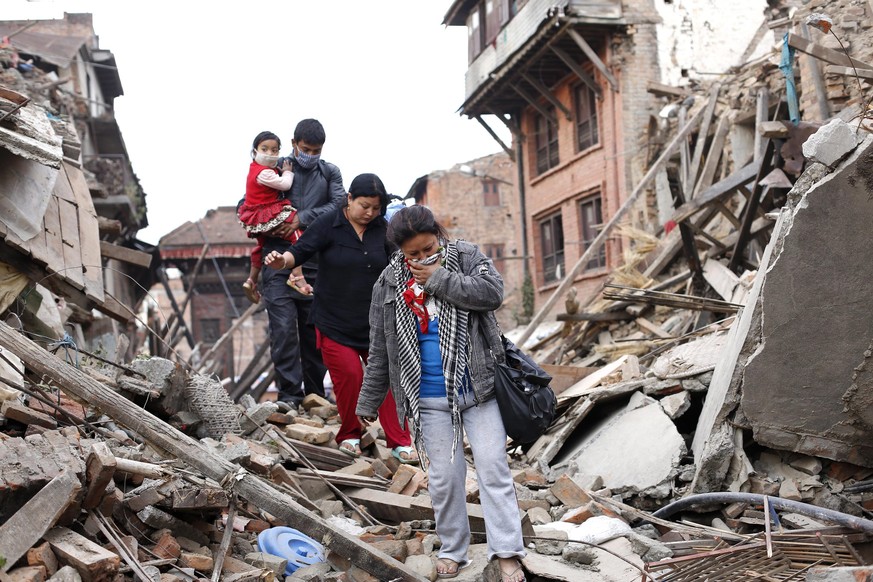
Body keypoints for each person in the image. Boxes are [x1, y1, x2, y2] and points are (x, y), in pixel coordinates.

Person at [355, 205, 526, 582]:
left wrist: (439, 277)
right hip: (426, 396)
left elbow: (491, 294)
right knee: (445, 478)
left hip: (478, 388)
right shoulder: (387, 282)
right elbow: (381, 346)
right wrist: (368, 401)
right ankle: (453, 549)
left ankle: (508, 551)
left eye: (428, 248)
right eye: (413, 254)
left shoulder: (466, 257)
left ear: (439, 236)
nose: (422, 258)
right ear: (400, 251)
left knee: (493, 469)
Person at [264, 173, 419, 464]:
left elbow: (402, 264)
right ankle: (349, 433)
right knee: (350, 376)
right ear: (349, 199)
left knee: (384, 379)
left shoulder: (382, 230)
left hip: (376, 323)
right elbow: (298, 252)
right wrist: (281, 261)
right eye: (364, 206)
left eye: (376, 207)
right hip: (334, 320)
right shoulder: (329, 224)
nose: (370, 213)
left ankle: (400, 439)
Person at [259, 119, 341, 409]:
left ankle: (316, 395)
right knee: (282, 331)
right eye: (306, 149)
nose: (311, 155)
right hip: (276, 260)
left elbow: (339, 206)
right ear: (294, 144)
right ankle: (289, 397)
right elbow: (251, 201)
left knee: (313, 334)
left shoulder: (330, 172)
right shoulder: (274, 168)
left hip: (315, 263)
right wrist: (274, 220)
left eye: (316, 150)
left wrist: (301, 218)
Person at [237, 131, 312, 304]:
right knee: (297, 236)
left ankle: (251, 280)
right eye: (265, 149)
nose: (270, 154)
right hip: (268, 212)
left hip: (256, 218)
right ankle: (297, 275)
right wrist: (287, 172)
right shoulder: (264, 173)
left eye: (274, 150)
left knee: (260, 247)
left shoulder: (254, 168)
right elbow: (285, 184)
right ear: (255, 150)